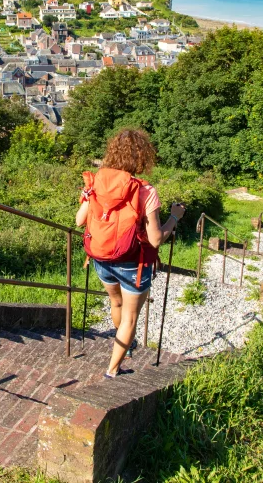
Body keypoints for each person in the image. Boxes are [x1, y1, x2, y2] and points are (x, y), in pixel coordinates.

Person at [76, 129, 185, 378]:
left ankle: (125, 344)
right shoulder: (145, 191)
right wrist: (174, 218)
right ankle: (113, 370)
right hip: (133, 263)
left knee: (116, 302)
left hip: (101, 258)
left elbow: (80, 220)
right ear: (142, 157)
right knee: (130, 318)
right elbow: (156, 238)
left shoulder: (95, 182)